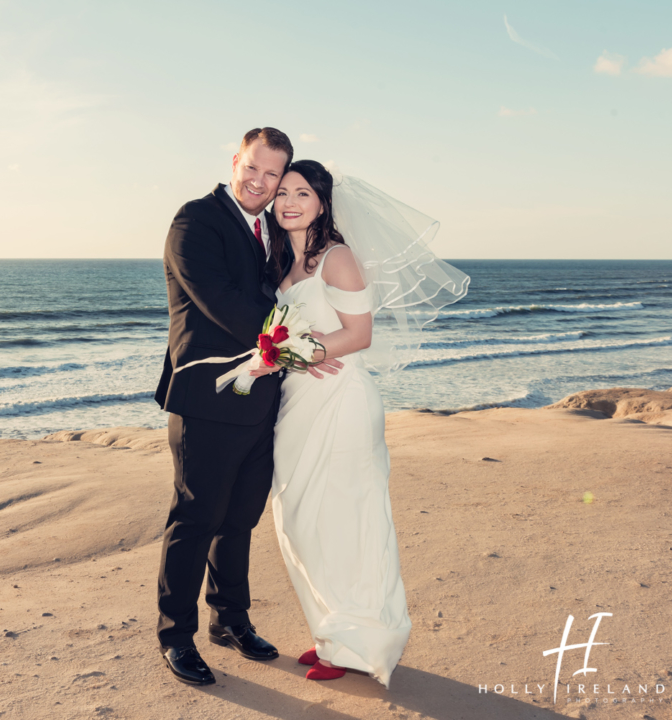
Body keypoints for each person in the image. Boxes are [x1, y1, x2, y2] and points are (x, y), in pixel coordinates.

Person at [252, 159, 467, 688]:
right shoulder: (288, 260)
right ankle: (334, 631)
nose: (289, 202)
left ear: (324, 202)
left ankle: (358, 642)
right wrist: (292, 356)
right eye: (283, 194)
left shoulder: (337, 257)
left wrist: (298, 352)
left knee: (345, 520)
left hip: (341, 399)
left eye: (303, 193)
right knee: (302, 519)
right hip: (302, 400)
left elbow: (360, 334)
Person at [152, 129, 343, 685]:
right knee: (194, 519)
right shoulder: (195, 222)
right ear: (235, 161)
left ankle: (230, 621)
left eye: (272, 177)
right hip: (208, 397)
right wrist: (301, 344)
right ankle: (175, 636)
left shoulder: (273, 230)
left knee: (239, 521)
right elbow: (223, 305)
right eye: (253, 170)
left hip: (265, 398)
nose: (261, 184)